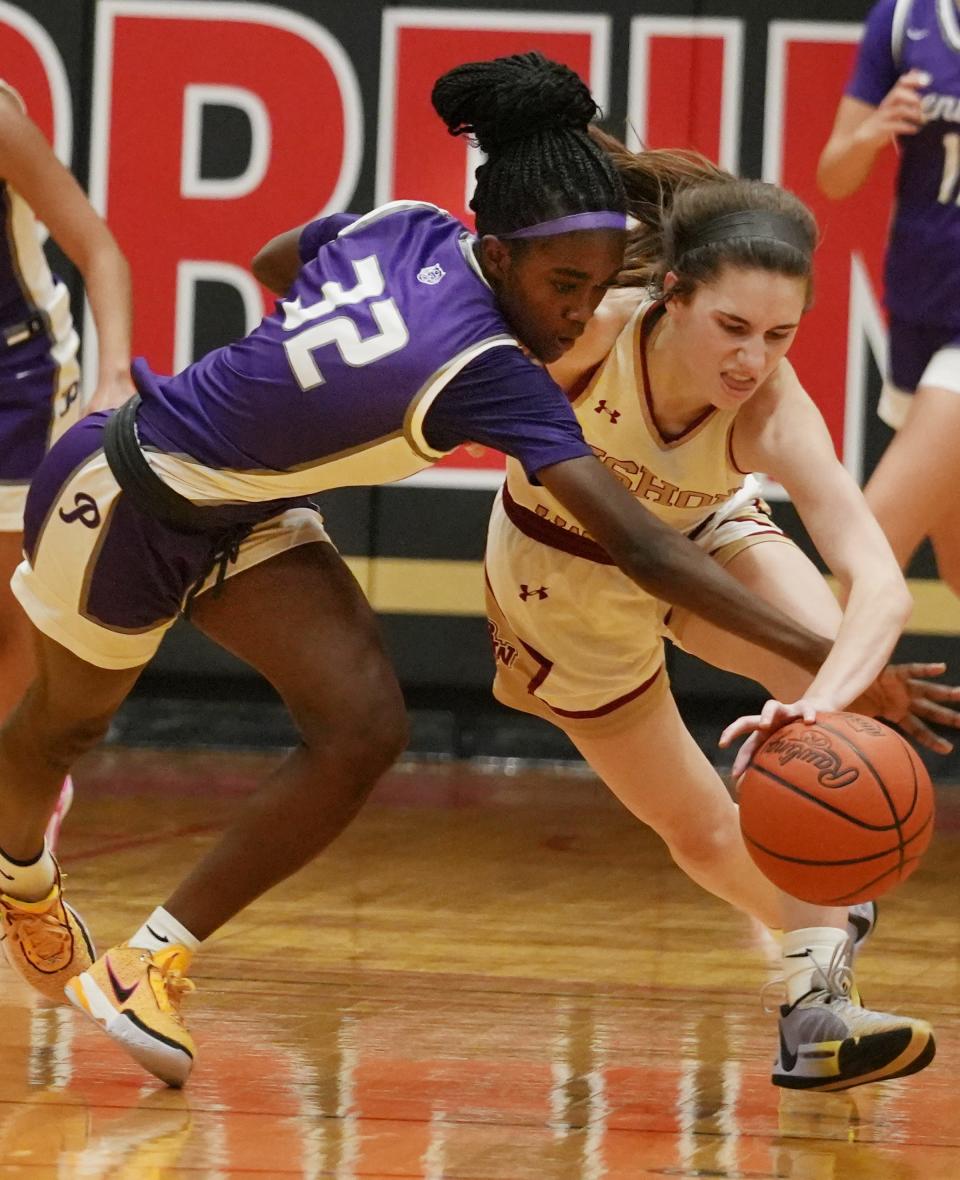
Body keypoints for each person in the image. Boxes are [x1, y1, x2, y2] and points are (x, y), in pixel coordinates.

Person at [0, 52, 911, 1089]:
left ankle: (146, 963)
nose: (574, 315)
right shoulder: (490, 373)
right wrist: (821, 649)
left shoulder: (407, 224)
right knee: (61, 726)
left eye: (591, 285)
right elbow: (642, 548)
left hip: (246, 509)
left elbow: (278, 252)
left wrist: (311, 353)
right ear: (496, 251)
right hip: (126, 493)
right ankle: (20, 876)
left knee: (365, 726)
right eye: (561, 288)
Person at [484, 131, 954, 1090]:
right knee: (701, 831)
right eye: (734, 328)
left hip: (707, 534)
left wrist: (819, 704)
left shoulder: (771, 408)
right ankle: (813, 912)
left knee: (829, 682)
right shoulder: (590, 333)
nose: (752, 360)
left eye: (779, 336)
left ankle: (817, 1009)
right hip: (562, 574)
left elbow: (882, 584)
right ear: (672, 297)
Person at [0, 80, 135, 850]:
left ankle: (24, 795)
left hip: (14, 377)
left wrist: (113, 376)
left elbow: (99, 250)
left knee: (5, 617)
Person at [817, 1, 960, 595]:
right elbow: (835, 176)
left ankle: (825, 692)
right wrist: (873, 133)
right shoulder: (905, 17)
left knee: (869, 547)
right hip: (920, 303)